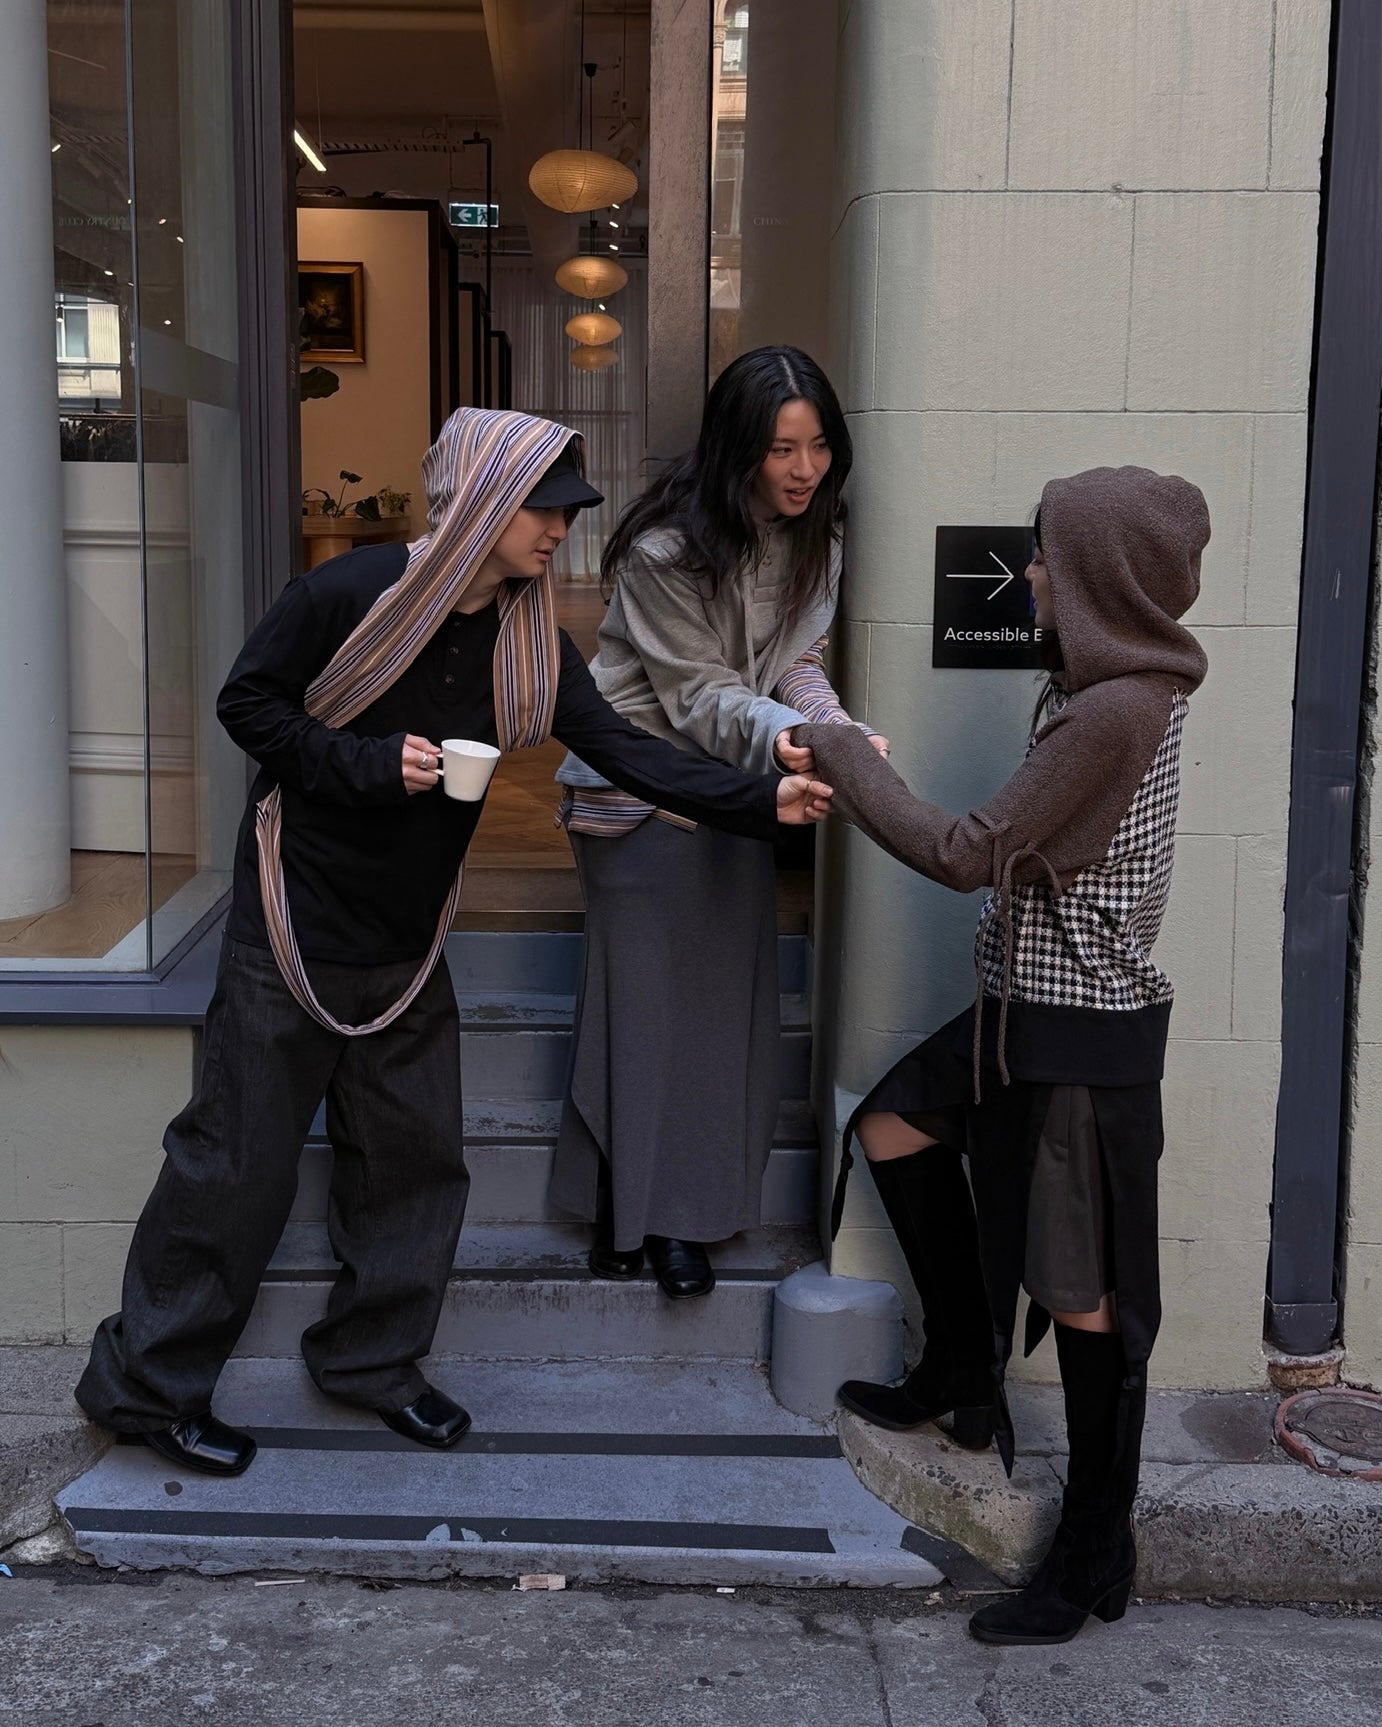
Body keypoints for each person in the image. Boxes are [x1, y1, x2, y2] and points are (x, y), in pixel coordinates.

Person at [74, 407, 831, 1478]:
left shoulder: (528, 639)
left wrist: (764, 802)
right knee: (233, 1163)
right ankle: (147, 1388)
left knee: (416, 1166)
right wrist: (366, 764)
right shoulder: (347, 594)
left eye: (566, 513)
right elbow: (248, 705)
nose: (558, 531)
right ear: (479, 503)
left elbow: (624, 748)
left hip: (409, 934)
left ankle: (372, 1361)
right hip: (292, 918)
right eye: (541, 510)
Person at [794, 466, 1209, 1646]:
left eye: (1043, 555)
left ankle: (1093, 1551)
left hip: (1075, 1032)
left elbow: (965, 850)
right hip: (1019, 1009)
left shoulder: (1112, 711)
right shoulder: (1100, 690)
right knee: (891, 1122)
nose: (1026, 571)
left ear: (1094, 577)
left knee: (1082, 1296)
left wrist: (833, 744)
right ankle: (961, 1374)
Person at [550, 346, 888, 1299]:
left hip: (742, 790)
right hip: (640, 791)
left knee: (713, 1014)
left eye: (818, 446)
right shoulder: (665, 553)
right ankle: (637, 1210)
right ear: (738, 447)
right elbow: (699, 695)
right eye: (782, 449)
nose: (804, 469)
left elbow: (795, 666)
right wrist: (797, 739)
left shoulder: (818, 540)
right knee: (644, 1010)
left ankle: (663, 1213)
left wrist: (834, 731)